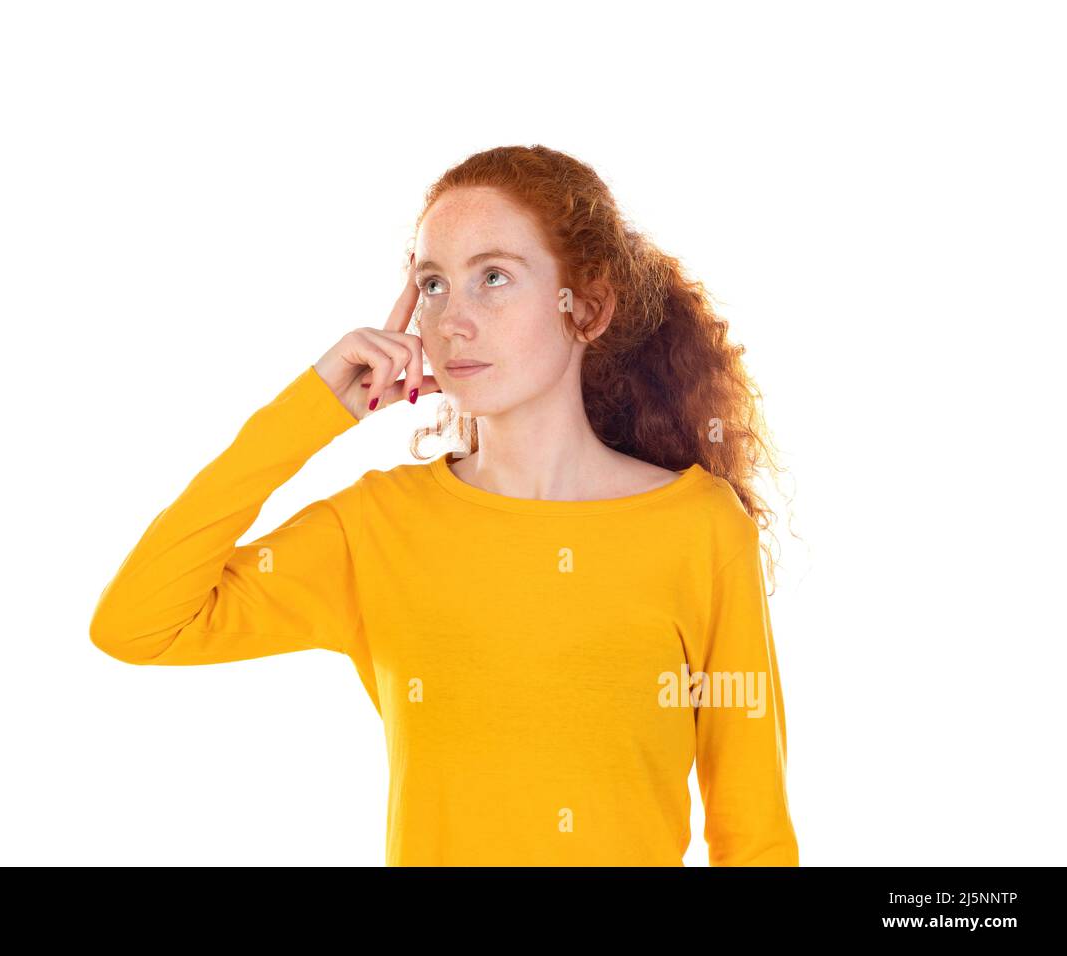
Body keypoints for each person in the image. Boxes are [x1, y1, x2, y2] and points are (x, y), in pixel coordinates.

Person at [89, 145, 799, 867]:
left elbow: (755, 836)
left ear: (586, 307)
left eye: (493, 278)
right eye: (433, 285)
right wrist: (311, 412)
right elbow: (137, 625)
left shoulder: (701, 528)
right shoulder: (377, 526)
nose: (453, 319)